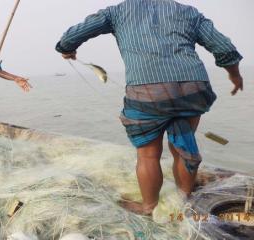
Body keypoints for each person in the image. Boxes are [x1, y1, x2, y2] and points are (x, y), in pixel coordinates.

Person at [55, 0, 243, 215]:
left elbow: (72, 36)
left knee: (148, 155)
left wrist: (66, 49)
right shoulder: (188, 12)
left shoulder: (117, 11)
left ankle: (148, 206)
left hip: (147, 93)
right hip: (193, 87)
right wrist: (234, 75)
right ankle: (183, 198)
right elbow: (224, 48)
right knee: (183, 146)